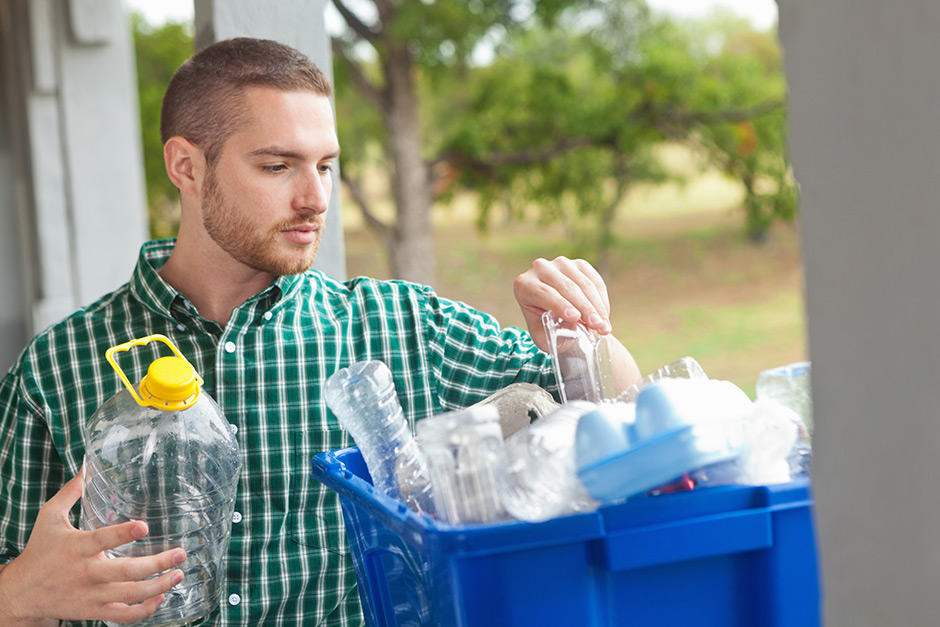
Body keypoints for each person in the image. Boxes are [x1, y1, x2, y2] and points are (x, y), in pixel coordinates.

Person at [0, 38, 640, 626]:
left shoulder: (405, 327)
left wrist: (581, 331)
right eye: (278, 167)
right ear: (187, 167)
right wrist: (23, 590)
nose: (315, 198)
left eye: (326, 166)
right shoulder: (57, 364)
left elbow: (624, 415)